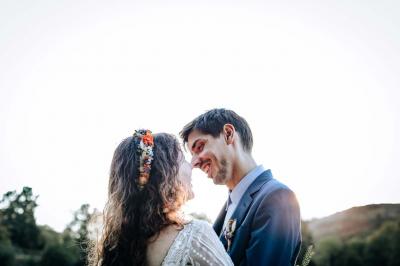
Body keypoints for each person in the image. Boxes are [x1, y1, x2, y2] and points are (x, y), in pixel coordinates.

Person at [89, 130, 233, 266]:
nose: (192, 165)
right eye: (182, 159)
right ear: (165, 177)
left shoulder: (118, 249)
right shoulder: (195, 235)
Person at [180, 109, 302, 265]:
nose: (194, 163)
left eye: (200, 147)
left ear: (228, 134)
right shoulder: (228, 207)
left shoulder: (277, 197)